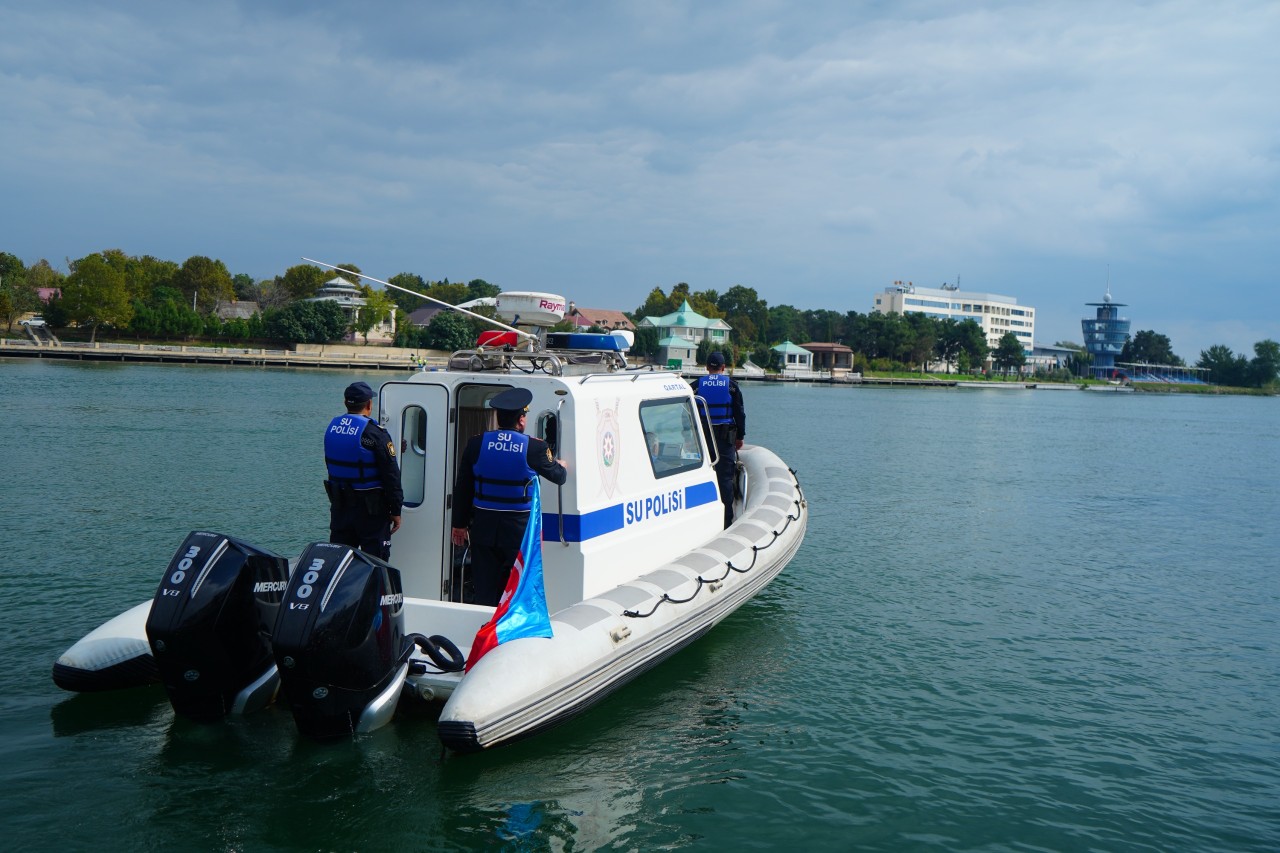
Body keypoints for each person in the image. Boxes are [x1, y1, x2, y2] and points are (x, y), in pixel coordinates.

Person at [451, 387, 568, 606]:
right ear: (521, 419)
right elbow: (559, 476)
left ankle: (485, 625)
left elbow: (463, 486)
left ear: (497, 417)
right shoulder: (534, 447)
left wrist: (459, 524)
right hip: (518, 531)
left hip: (483, 526)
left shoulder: (476, 444)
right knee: (518, 584)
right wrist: (561, 465)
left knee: (485, 585)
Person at [323, 381, 403, 560]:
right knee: (375, 561)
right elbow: (391, 476)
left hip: (340, 507)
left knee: (339, 560)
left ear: (345, 403)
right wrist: (396, 510)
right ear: (369, 405)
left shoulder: (332, 428)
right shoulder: (375, 433)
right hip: (371, 511)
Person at [691, 351, 746, 528]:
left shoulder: (695, 386)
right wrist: (740, 437)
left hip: (702, 439)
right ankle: (725, 522)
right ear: (723, 368)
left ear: (706, 367)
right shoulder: (732, 386)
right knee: (724, 479)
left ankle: (701, 519)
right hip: (725, 439)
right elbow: (740, 414)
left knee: (700, 475)